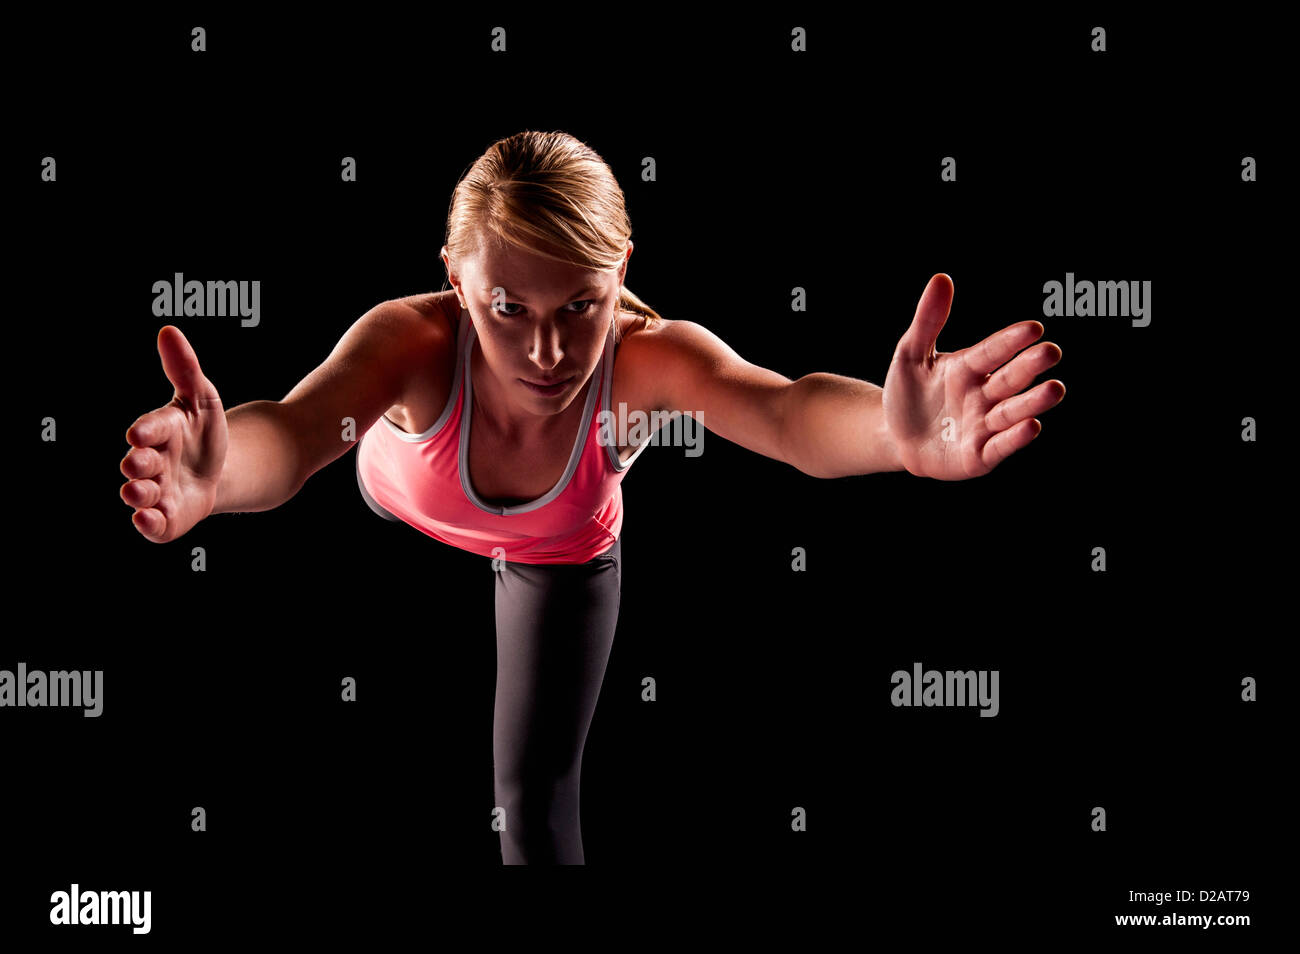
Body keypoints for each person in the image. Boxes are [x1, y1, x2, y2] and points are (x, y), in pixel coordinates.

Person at [119, 129, 1065, 864]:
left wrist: (892, 437)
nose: (547, 354)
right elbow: (293, 438)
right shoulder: (410, 346)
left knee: (532, 804)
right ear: (456, 281)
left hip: (557, 552)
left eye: (581, 307)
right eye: (508, 310)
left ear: (620, 281)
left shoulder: (646, 361)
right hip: (395, 497)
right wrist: (222, 469)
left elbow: (784, 415)